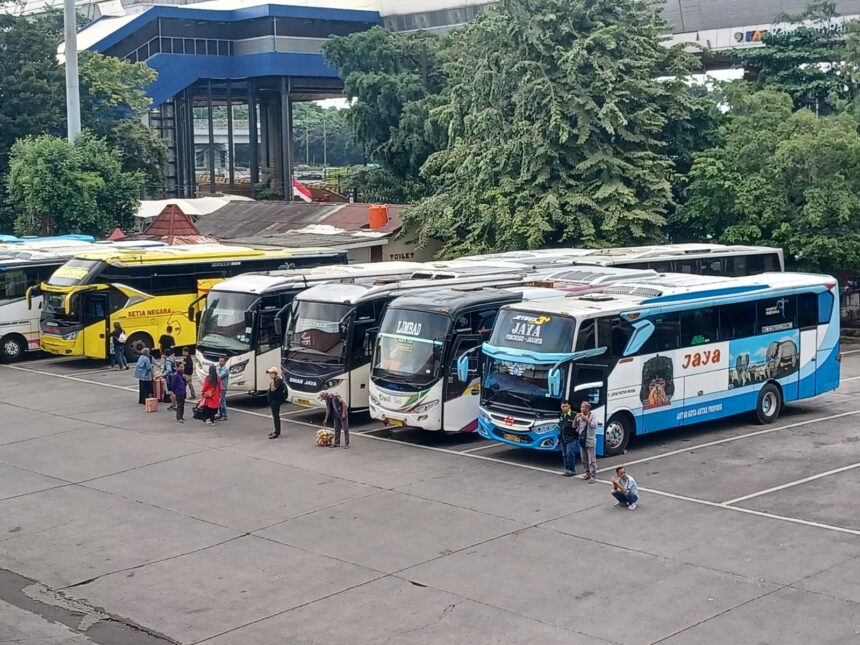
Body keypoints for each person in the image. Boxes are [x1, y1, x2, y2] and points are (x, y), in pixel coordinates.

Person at [576, 401, 597, 483]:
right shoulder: (580, 416)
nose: (581, 409)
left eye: (583, 407)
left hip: (590, 440)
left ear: (587, 408)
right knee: (584, 458)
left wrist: (586, 419)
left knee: (592, 460)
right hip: (582, 440)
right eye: (581, 407)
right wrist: (576, 418)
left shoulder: (593, 416)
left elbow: (594, 425)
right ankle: (587, 473)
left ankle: (593, 476)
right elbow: (575, 426)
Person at [558, 399, 577, 477]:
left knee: (570, 454)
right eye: (563, 406)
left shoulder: (574, 415)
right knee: (564, 454)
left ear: (569, 406)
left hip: (571, 438)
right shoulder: (562, 415)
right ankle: (567, 470)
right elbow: (560, 426)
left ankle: (572, 470)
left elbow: (578, 426)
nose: (564, 408)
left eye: (566, 406)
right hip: (563, 438)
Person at [266, 367, 286, 439]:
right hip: (272, 400)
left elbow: (273, 389)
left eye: (271, 374)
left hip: (276, 401)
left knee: (276, 416)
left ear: (275, 374)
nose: (270, 375)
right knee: (275, 416)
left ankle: (277, 432)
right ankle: (276, 430)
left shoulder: (278, 381)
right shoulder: (275, 380)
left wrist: (272, 382)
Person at [215, 356, 229, 421]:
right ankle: (220, 414)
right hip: (218, 387)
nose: (220, 362)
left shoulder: (226, 370)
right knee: (219, 402)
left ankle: (224, 415)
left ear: (225, 362)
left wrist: (216, 374)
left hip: (223, 388)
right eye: (219, 361)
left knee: (222, 402)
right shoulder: (218, 368)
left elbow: (219, 376)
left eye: (222, 361)